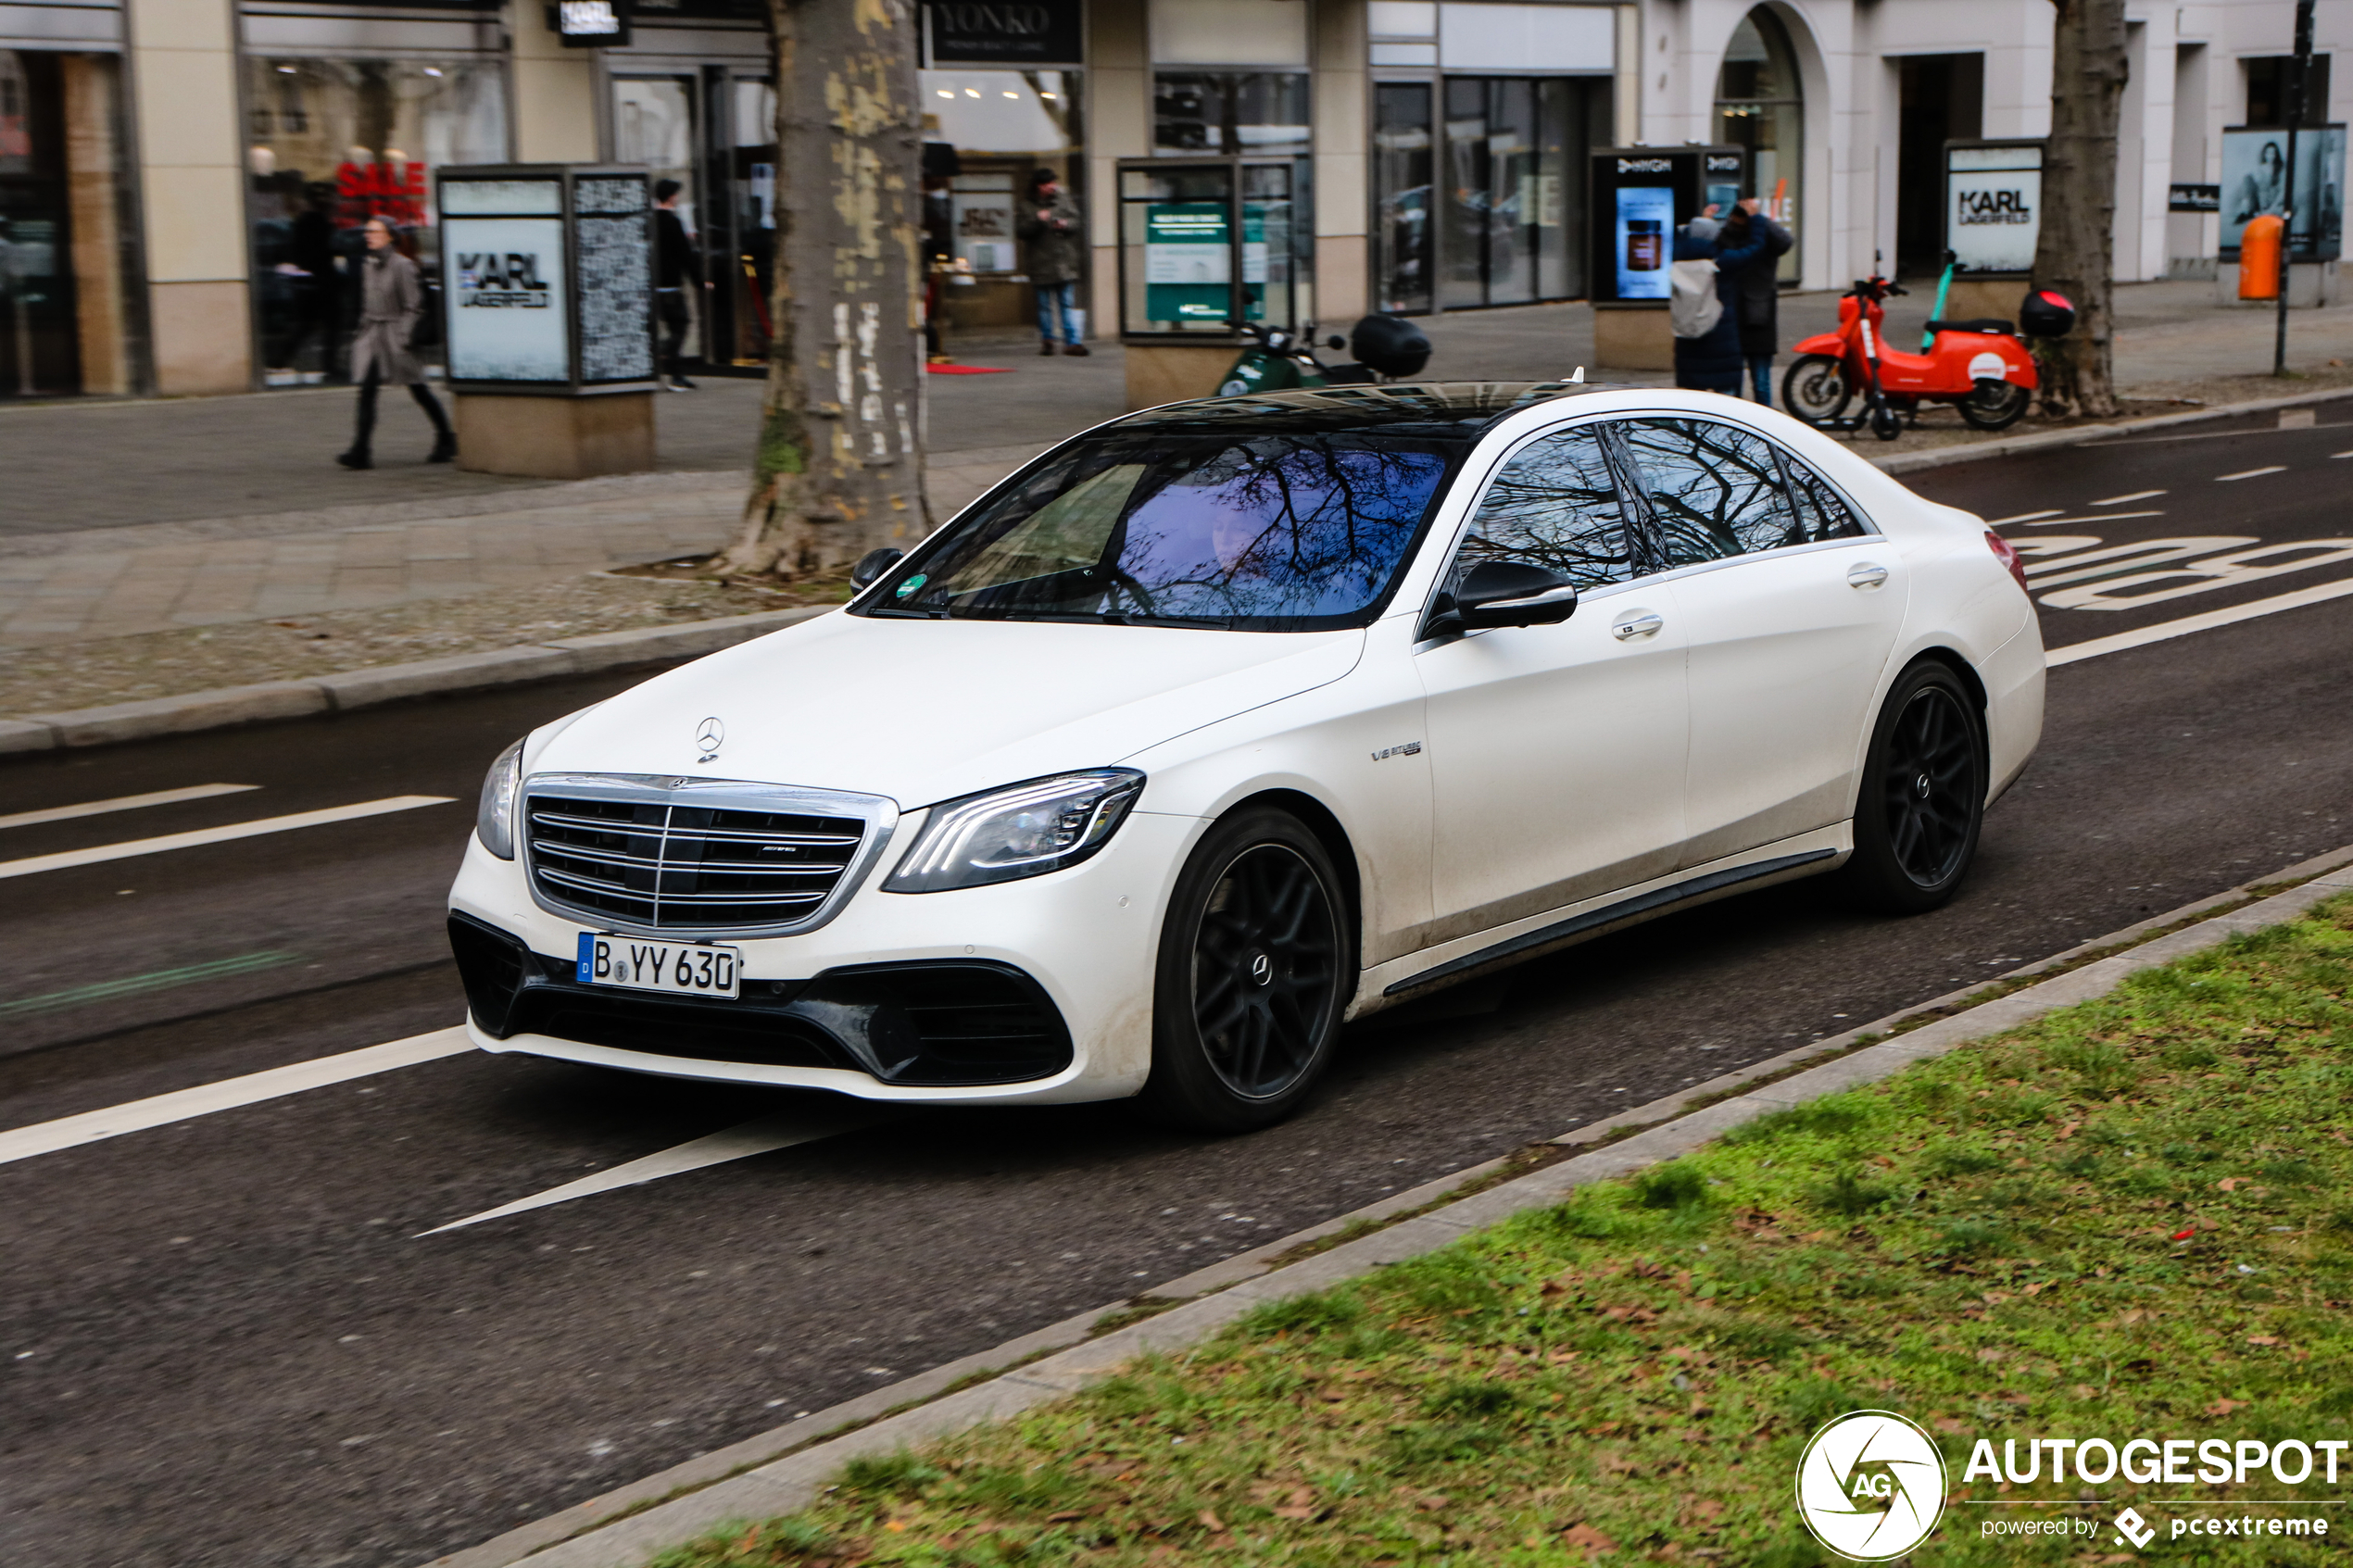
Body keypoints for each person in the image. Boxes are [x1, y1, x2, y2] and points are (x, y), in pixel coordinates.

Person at [338, 216, 454, 469]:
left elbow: (415, 306)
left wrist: (404, 336)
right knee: (367, 391)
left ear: (389, 236)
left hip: (398, 335)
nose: (369, 235)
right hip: (373, 335)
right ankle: (361, 450)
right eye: (368, 231)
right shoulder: (368, 263)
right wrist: (361, 333)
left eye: (375, 232)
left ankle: (446, 436)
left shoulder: (403, 266)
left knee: (418, 388)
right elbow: (368, 303)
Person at [1670, 210, 1772, 395]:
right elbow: (1756, 247)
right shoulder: (1723, 262)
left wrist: (1699, 223)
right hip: (1722, 343)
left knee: (1693, 409)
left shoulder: (1675, 260)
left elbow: (1682, 234)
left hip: (1689, 345)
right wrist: (1756, 217)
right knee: (1727, 406)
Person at [1718, 198, 1793, 406]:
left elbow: (1786, 241)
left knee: (1761, 382)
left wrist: (1758, 219)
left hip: (1759, 317)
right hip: (1734, 317)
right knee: (1734, 382)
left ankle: (1763, 426)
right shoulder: (1729, 237)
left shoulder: (1765, 237)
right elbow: (1724, 243)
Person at [1018, 169, 1088, 357]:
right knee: (1044, 306)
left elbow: (1077, 221)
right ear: (1040, 186)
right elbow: (1021, 231)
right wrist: (1038, 220)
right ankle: (1048, 340)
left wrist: (1065, 225)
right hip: (1040, 263)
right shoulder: (1027, 205)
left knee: (1066, 303)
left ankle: (1072, 342)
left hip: (1063, 261)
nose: (1053, 186)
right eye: (1049, 183)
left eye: (1054, 182)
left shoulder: (1063, 200)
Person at [652, 178, 707, 389]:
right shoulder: (673, 222)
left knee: (668, 326)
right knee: (680, 326)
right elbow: (686, 255)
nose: (677, 197)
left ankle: (674, 373)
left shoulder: (649, 220)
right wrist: (699, 282)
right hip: (670, 286)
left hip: (652, 286)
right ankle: (669, 365)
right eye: (676, 194)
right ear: (671, 196)